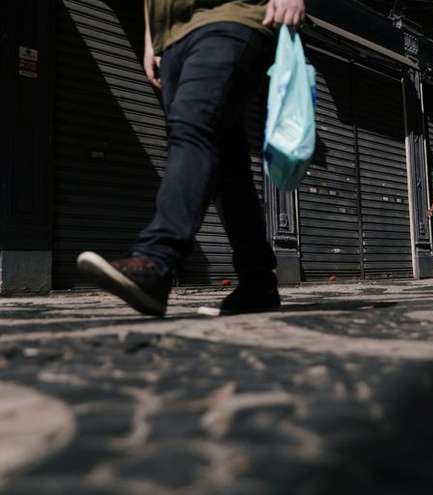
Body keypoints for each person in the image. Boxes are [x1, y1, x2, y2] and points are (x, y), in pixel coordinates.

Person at [76, 0, 306, 317]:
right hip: (172, 37)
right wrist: (150, 41)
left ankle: (157, 260)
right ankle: (258, 283)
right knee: (227, 166)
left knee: (192, 126)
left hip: (234, 14)